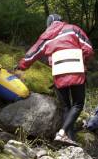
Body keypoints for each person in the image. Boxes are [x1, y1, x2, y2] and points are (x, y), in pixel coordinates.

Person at [17, 13, 94, 145]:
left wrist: (21, 66)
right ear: (60, 21)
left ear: (49, 25)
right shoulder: (73, 29)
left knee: (66, 107)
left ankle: (69, 139)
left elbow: (32, 54)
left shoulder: (45, 37)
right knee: (78, 104)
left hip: (58, 71)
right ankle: (62, 132)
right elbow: (88, 49)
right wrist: (84, 63)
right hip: (75, 67)